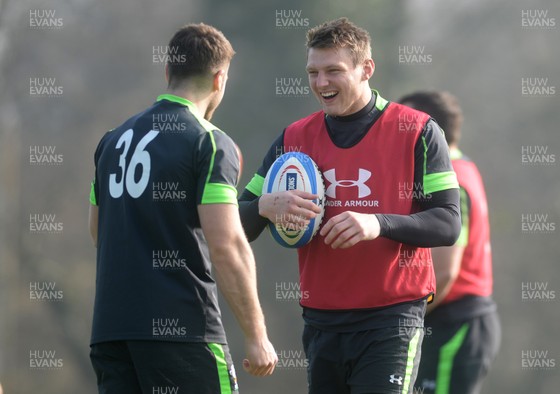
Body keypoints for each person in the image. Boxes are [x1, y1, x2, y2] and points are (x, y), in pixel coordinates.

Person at [239, 18, 461, 394]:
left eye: (333, 71)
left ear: (366, 69)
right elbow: (236, 225)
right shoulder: (293, 138)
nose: (321, 82)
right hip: (321, 322)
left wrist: (377, 223)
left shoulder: (419, 131)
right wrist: (265, 205)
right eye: (313, 72)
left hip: (391, 320)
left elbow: (447, 223)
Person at [88, 23, 277, 393]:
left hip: (110, 333)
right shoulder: (209, 142)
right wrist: (257, 335)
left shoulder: (111, 141)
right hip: (182, 331)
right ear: (220, 79)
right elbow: (227, 245)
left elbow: (98, 230)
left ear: (167, 72)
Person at [398, 91, 501, 394]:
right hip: (454, 321)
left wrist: (399, 319)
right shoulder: (463, 165)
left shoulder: (451, 177)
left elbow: (444, 272)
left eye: (403, 125)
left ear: (430, 131)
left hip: (454, 322)